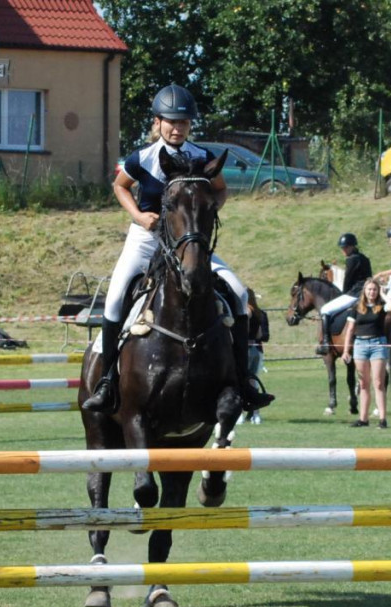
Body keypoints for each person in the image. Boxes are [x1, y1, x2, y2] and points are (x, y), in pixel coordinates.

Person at [81, 83, 274, 414]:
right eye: (171, 121)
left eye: (183, 122)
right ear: (157, 122)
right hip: (147, 239)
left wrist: (204, 215)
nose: (177, 128)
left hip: (188, 242)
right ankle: (108, 381)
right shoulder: (142, 157)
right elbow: (119, 186)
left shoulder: (202, 156)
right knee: (114, 299)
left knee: (240, 294)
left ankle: (243, 382)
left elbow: (221, 190)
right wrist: (140, 216)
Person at [340, 278, 389, 429]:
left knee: (379, 383)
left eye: (374, 289)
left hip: (378, 345)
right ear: (364, 291)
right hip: (360, 345)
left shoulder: (382, 306)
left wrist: (384, 294)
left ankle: (382, 419)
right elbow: (350, 330)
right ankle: (363, 419)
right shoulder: (357, 308)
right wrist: (346, 350)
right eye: (369, 289)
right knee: (363, 384)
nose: (371, 292)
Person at [315, 233, 372, 355]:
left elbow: (348, 280)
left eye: (345, 247)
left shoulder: (351, 259)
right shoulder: (364, 258)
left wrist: (343, 293)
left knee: (325, 309)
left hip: (354, 293)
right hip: (366, 292)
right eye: (342, 247)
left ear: (352, 246)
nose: (343, 250)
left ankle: (326, 343)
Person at [239, 291, 270, 425]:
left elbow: (242, 331)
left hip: (245, 349)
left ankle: (240, 414)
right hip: (257, 349)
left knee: (240, 381)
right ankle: (256, 415)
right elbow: (260, 335)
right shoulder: (260, 313)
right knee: (254, 382)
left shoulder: (246, 312)